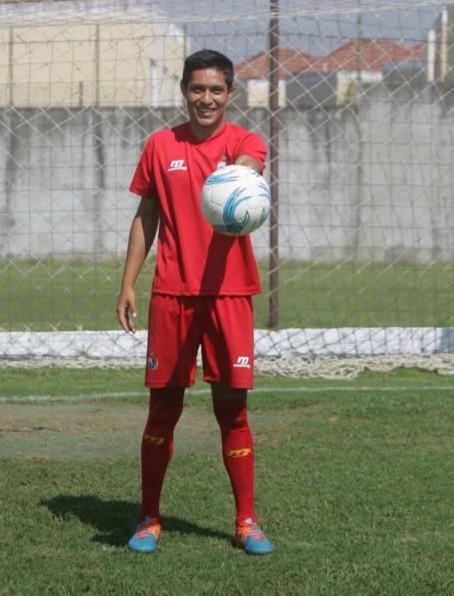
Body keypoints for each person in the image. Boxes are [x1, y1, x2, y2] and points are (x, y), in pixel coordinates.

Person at [115, 49, 273, 555]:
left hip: (230, 296)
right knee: (163, 410)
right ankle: (148, 519)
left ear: (230, 94)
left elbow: (251, 161)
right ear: (184, 91)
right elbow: (146, 216)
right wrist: (128, 283)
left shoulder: (244, 143)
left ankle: (247, 522)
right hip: (173, 296)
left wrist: (239, 174)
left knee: (235, 412)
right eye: (197, 89)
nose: (206, 99)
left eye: (216, 90)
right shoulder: (161, 146)